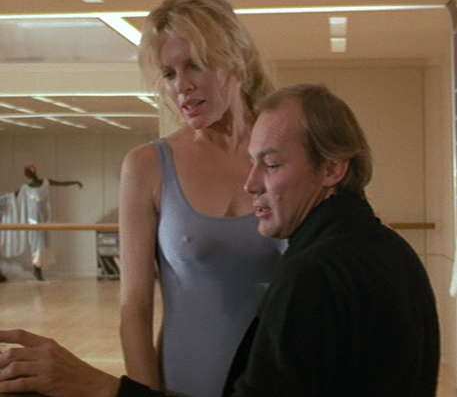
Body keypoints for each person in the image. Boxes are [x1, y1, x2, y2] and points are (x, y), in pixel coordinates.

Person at [0, 83, 440, 397]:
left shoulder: (314, 274)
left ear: (331, 169)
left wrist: (97, 386)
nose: (251, 183)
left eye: (271, 165)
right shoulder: (391, 251)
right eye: (252, 162)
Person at [118, 0, 285, 397]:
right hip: (183, 382)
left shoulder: (290, 155)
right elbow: (134, 309)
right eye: (169, 74)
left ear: (236, 62)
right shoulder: (147, 166)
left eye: (195, 65)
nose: (182, 87)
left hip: (283, 379)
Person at [0, 165, 83, 281]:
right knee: (37, 244)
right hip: (33, 220)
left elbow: (61, 183)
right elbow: (11, 198)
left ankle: (38, 269)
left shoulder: (45, 183)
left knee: (44, 244)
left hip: (44, 219)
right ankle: (37, 270)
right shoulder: (25, 188)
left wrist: (75, 182)